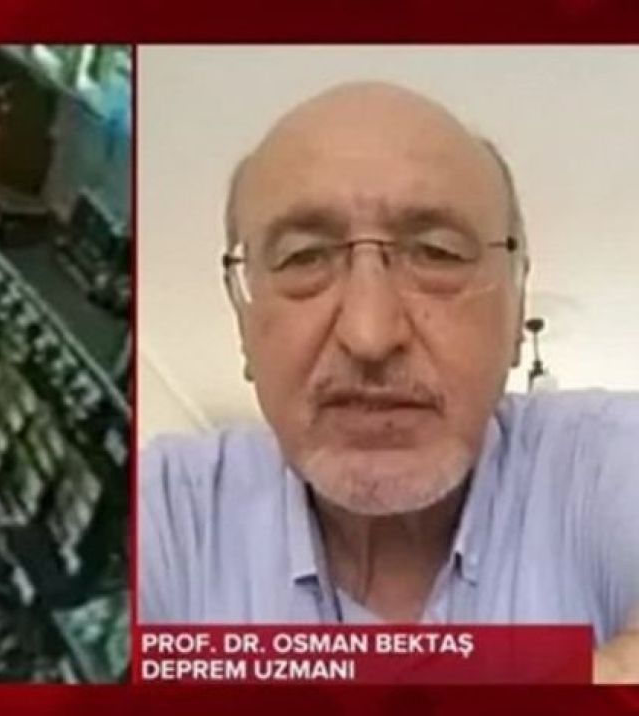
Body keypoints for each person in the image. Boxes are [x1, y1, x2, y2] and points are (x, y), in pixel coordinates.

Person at [138, 81, 639, 683]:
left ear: (517, 310)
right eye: (303, 258)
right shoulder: (168, 511)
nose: (369, 334)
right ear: (243, 319)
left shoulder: (605, 462)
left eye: (438, 253)